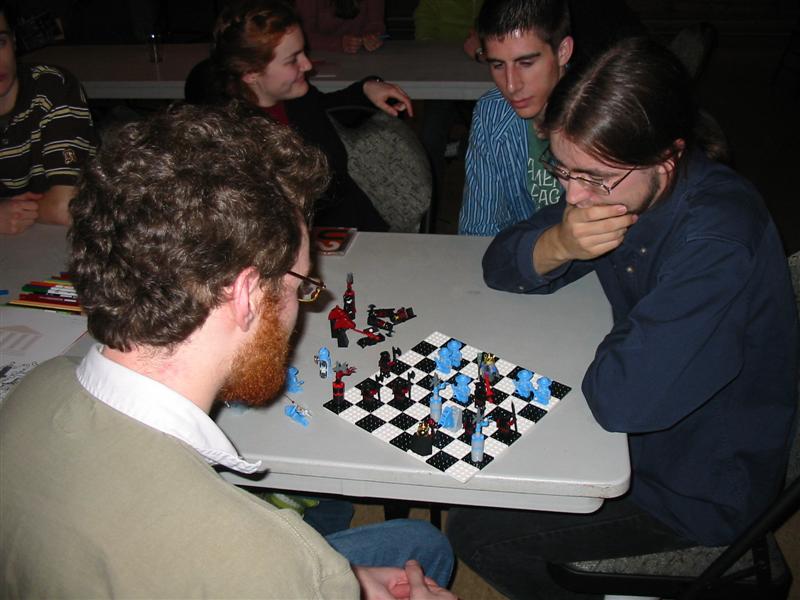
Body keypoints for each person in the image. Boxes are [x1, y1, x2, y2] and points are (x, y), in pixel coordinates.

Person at [0, 102, 456, 598]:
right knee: (424, 546)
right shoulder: (269, 563)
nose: (300, 310)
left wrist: (350, 583)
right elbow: (264, 571)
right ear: (245, 295)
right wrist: (324, 585)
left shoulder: (34, 388)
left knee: (416, 542)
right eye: (300, 285)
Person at [447, 36, 798, 600]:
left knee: (476, 532)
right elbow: (498, 264)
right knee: (475, 465)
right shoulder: (616, 184)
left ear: (668, 158)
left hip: (696, 485)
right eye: (563, 171)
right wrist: (559, 244)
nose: (575, 196)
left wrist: (589, 346)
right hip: (640, 420)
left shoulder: (717, 241)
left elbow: (621, 400)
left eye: (593, 178)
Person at [206, 0, 412, 232]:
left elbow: (329, 108)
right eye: (292, 59)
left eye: (304, 52)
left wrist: (366, 89)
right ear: (251, 73)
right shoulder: (231, 139)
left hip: (351, 227)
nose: (307, 64)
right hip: (293, 240)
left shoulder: (296, 98)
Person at [457, 0, 645, 237]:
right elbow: (477, 229)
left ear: (562, 51)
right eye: (498, 65)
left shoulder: (607, 112)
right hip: (522, 256)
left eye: (526, 63)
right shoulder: (492, 113)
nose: (512, 85)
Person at [0, 2, 97, 235]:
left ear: (14, 41)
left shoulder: (51, 87)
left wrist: (10, 211)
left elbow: (66, 206)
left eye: (0, 42)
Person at [296, 0, 385, 53]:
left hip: (363, 57)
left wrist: (372, 37)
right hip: (322, 58)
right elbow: (303, 37)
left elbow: (376, 24)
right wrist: (338, 43)